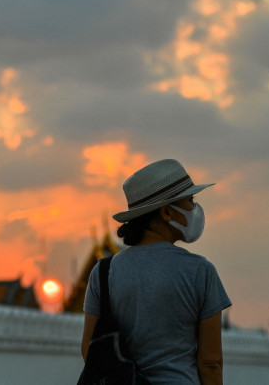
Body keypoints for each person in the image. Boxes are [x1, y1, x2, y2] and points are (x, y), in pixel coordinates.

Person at [81, 159, 231, 385]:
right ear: (167, 212)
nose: (195, 209)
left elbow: (89, 349)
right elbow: (210, 363)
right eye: (190, 201)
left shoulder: (104, 272)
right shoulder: (201, 272)